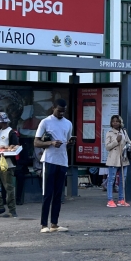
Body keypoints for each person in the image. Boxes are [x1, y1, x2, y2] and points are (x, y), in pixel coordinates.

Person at [35, 98, 74, 233]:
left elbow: (67, 142)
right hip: (49, 160)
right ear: (53, 108)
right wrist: (50, 143)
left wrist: (70, 144)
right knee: (48, 193)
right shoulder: (45, 122)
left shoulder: (68, 124)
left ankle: (54, 224)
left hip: (62, 160)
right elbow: (36, 142)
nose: (61, 114)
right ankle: (43, 225)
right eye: (59, 111)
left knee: (58, 194)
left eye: (63, 111)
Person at [0, 112, 20, 218]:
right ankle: (0, 207)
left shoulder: (11, 132)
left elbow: (15, 147)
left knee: (8, 187)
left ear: (2, 122)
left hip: (8, 163)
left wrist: (5, 150)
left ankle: (12, 210)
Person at [105, 115, 131, 208]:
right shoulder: (109, 132)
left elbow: (129, 142)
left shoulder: (124, 131)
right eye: (113, 121)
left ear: (120, 122)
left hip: (123, 159)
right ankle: (110, 200)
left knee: (122, 180)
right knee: (111, 180)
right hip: (113, 159)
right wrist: (116, 141)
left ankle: (121, 199)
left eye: (117, 121)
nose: (115, 123)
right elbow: (107, 147)